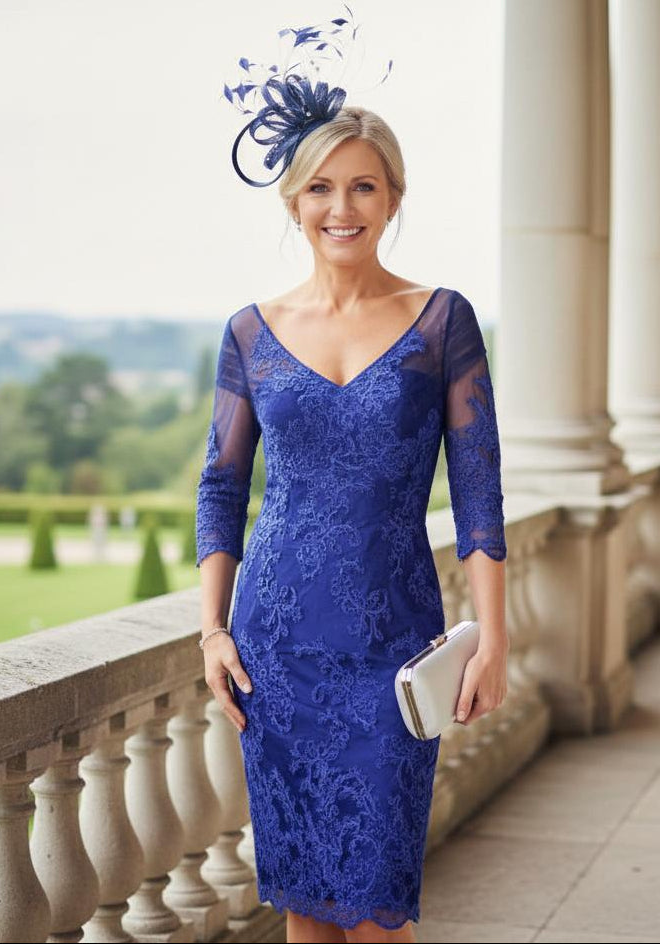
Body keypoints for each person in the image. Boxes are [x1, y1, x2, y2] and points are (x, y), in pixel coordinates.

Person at [196, 18, 508, 944]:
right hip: (275, 648)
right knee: (305, 911)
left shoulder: (440, 321)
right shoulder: (249, 331)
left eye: (364, 186)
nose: (343, 206)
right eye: (323, 188)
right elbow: (220, 488)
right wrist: (211, 629)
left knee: (376, 911)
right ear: (294, 202)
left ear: (393, 196)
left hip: (391, 643)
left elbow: (480, 489)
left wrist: (493, 636)